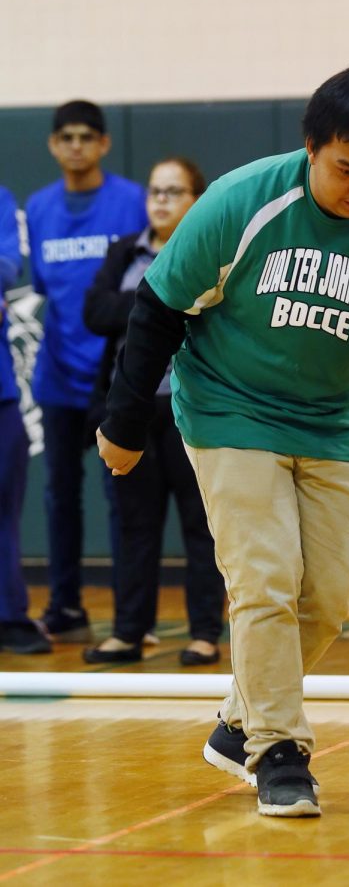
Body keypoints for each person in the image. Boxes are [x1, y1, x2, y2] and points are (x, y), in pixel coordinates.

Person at [95, 64, 349, 818]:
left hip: (328, 422)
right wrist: (125, 423)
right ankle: (279, 751)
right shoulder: (243, 201)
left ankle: (239, 721)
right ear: (311, 146)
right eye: (347, 169)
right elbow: (159, 309)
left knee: (330, 588)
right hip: (229, 409)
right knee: (263, 576)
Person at [81, 157, 225, 665]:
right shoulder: (125, 251)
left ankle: (205, 632)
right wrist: (159, 302)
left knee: (201, 525)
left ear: (196, 199)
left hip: (194, 408)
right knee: (133, 526)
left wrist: (148, 304)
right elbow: (95, 312)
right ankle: (129, 632)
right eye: (154, 191)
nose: (160, 200)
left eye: (173, 191)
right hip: (135, 409)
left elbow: (210, 310)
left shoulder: (212, 249)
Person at [25, 100, 148, 642]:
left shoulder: (131, 203)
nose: (75, 145)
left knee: (122, 501)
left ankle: (130, 618)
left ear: (103, 143)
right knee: (59, 497)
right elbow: (49, 292)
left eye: (86, 136)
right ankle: (65, 607)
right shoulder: (39, 207)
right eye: (65, 137)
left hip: (110, 381)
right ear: (53, 145)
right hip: (56, 379)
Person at [0, 186, 51, 654]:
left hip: (0, 393)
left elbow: (8, 267)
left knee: (5, 508)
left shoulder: (0, 199)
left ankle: (10, 615)